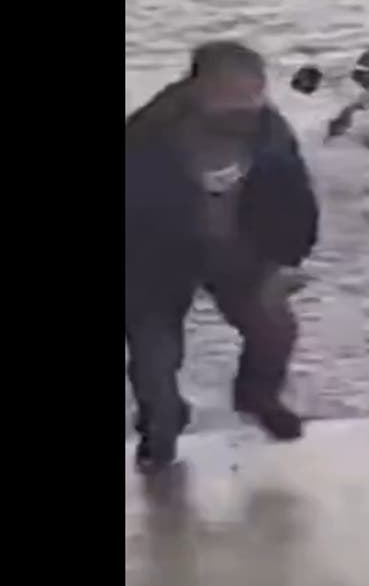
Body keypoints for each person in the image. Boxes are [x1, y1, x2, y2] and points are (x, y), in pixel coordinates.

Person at [125, 40, 320, 473]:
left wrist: (288, 259)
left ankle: (257, 394)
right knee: (154, 357)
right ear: (199, 89)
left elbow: (296, 199)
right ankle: (163, 419)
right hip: (157, 256)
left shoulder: (271, 132)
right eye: (232, 94)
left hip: (240, 250)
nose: (247, 105)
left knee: (274, 329)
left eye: (255, 93)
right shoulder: (145, 134)